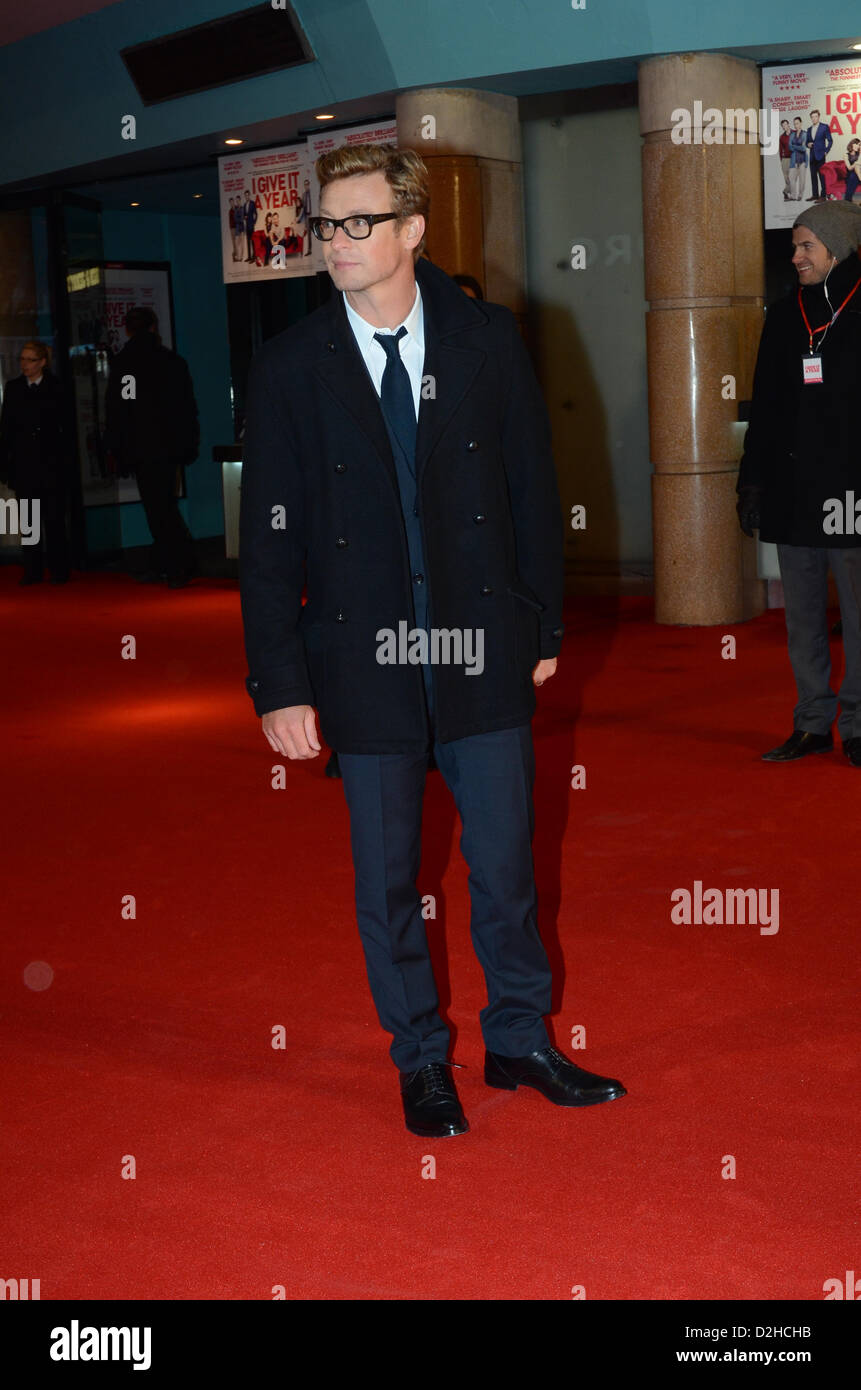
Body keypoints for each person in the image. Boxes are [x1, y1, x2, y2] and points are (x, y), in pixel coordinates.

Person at [239, 143, 627, 1137]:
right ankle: (419, 1057)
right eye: (328, 225)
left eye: (359, 223)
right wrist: (279, 681)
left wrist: (539, 617)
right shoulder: (290, 366)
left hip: (478, 647)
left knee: (505, 863)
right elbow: (270, 540)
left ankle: (518, 1038)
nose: (336, 243)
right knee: (389, 880)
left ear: (413, 231)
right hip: (361, 662)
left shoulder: (487, 341)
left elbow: (532, 489)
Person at [736, 202, 861, 767]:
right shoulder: (786, 317)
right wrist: (752, 482)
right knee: (804, 618)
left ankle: (857, 725)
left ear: (836, 247)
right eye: (794, 246)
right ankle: (812, 722)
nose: (796, 257)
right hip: (794, 492)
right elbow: (766, 407)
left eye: (806, 246)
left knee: (858, 618)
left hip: (853, 496)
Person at [104, 306, 200, 588]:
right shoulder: (171, 362)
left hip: (142, 447)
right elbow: (185, 408)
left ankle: (175, 565)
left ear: (128, 329)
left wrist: (117, 446)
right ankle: (175, 563)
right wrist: (187, 442)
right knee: (164, 506)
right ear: (153, 328)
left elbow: (121, 408)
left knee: (157, 508)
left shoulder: (126, 365)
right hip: (169, 446)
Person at [0, 340, 72, 586]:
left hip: (51, 464)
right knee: (29, 521)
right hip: (24, 464)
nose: (25, 365)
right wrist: (6, 465)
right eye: (22, 359)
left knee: (54, 519)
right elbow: (6, 429)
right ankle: (32, 570)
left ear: (42, 362)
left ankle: (59, 569)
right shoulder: (13, 388)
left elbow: (66, 427)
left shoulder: (57, 387)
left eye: (30, 360)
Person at [806, 109, 833, 202]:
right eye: (812, 117)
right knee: (813, 176)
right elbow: (806, 142)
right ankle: (815, 195)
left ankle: (823, 196)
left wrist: (826, 151)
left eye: (815, 116)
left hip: (820, 156)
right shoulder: (809, 129)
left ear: (818, 117)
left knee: (822, 176)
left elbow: (830, 140)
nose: (814, 118)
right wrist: (808, 144)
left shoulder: (824, 127)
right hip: (812, 156)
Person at [789, 117, 807, 202]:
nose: (796, 125)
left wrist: (794, 146)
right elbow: (789, 147)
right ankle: (793, 196)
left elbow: (803, 148)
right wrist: (797, 147)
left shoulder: (805, 134)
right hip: (794, 160)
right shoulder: (792, 134)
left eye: (797, 123)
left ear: (801, 123)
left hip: (803, 160)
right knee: (791, 178)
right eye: (795, 124)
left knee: (802, 180)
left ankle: (800, 195)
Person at [842, 138, 860, 204]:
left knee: (856, 173)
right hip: (851, 176)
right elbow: (849, 168)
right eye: (857, 144)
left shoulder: (859, 154)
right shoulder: (846, 155)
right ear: (852, 144)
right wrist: (856, 163)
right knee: (853, 175)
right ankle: (848, 199)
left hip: (859, 175)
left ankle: (847, 199)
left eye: (859, 145)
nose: (858, 146)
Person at [778, 120, 792, 201]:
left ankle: (786, 191)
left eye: (785, 125)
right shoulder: (782, 137)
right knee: (787, 178)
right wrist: (781, 160)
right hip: (785, 160)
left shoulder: (795, 133)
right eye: (783, 126)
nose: (784, 127)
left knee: (792, 177)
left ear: (788, 124)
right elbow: (780, 150)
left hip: (793, 159)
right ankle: (787, 195)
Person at [243, 190, 257, 262]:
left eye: (248, 195)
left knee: (253, 241)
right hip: (247, 226)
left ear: (249, 195)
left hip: (251, 225)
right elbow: (244, 215)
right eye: (245, 195)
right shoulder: (245, 205)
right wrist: (244, 216)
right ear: (244, 196)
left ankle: (254, 257)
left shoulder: (252, 203)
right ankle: (249, 257)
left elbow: (256, 214)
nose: (247, 196)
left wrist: (254, 222)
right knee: (248, 241)